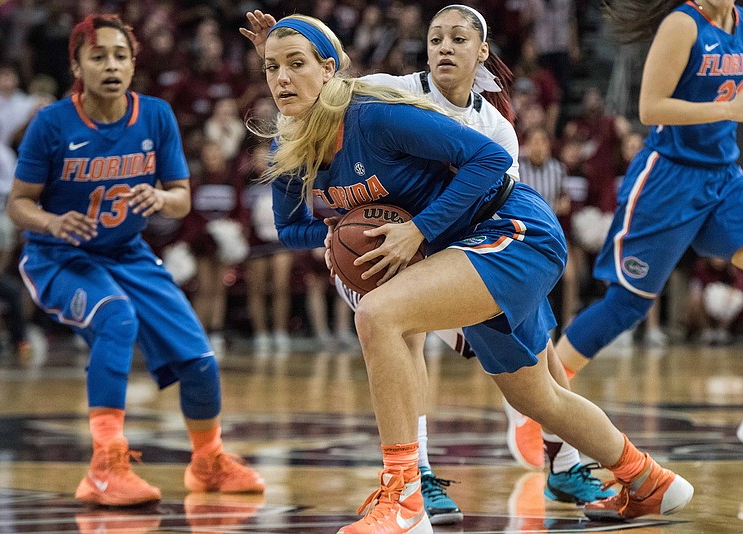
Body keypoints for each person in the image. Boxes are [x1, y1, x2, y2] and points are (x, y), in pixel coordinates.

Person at [250, 14, 694, 533]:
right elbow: (289, 229)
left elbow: (486, 159)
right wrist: (328, 237)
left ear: (328, 70)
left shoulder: (372, 116)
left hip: (510, 229)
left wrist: (418, 229)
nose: (281, 78)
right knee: (539, 398)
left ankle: (406, 497)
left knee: (380, 315)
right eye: (271, 67)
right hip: (458, 252)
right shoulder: (289, 145)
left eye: (296, 64)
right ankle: (651, 482)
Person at [6, 13, 264, 507]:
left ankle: (208, 462)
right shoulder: (52, 123)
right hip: (59, 258)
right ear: (77, 64)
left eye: (121, 56)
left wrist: (160, 199)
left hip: (129, 254)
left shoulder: (156, 115)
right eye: (98, 55)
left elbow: (181, 197)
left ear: (133, 64)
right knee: (116, 318)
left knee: (201, 362)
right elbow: (18, 202)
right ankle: (104, 465)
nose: (111, 65)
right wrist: (52, 223)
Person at [552, 0, 743, 446]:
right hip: (669, 178)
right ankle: (536, 402)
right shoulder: (682, 25)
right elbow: (651, 107)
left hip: (723, 175)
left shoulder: (738, 19)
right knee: (626, 306)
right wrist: (728, 111)